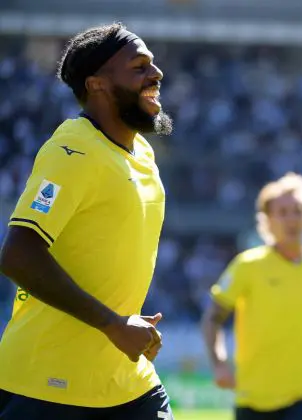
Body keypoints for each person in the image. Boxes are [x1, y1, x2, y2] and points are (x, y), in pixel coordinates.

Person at [0, 23, 175, 419]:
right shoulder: (72, 150)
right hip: (49, 382)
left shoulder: (142, 152)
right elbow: (18, 254)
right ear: (97, 84)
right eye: (139, 66)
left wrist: (121, 318)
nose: (156, 74)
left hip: (125, 378)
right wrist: (113, 324)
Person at [202, 172, 302, 420]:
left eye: (299, 210)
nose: (292, 219)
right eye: (283, 212)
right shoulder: (247, 265)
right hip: (253, 400)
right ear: (267, 220)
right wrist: (220, 363)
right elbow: (212, 318)